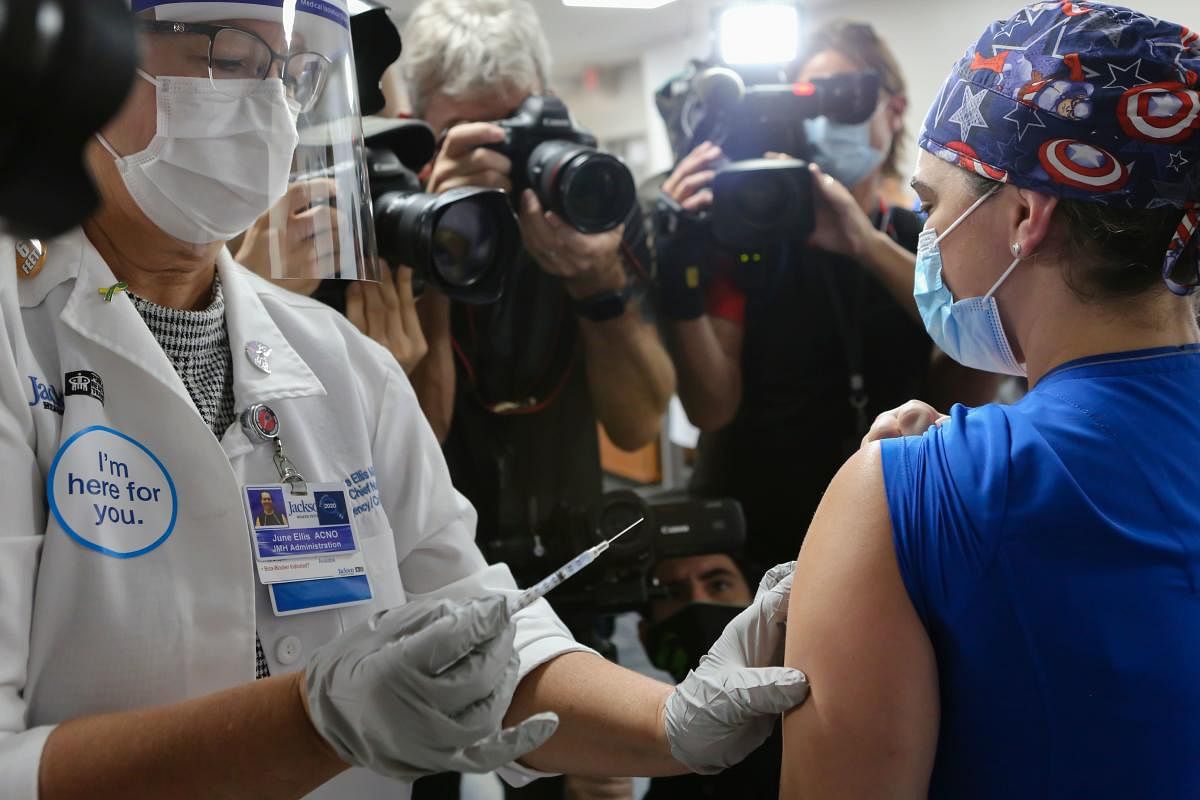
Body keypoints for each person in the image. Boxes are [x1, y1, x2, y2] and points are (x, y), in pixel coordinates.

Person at [0, 4, 812, 799]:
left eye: (292, 72)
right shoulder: (14, 333)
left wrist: (672, 719)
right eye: (228, 56)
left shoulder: (340, 361)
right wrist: (309, 725)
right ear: (84, 63)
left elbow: (483, 630)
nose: (265, 102)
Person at [779, 3, 1200, 797]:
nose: (925, 242)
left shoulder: (906, 494)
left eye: (932, 207)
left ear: (1023, 217)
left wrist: (915, 494)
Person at [655, 21, 1000, 568]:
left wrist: (864, 245)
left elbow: (978, 365)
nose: (822, 117)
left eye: (843, 97)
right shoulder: (748, 235)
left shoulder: (923, 237)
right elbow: (711, 408)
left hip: (891, 524)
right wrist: (677, 268)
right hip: (755, 525)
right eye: (808, 98)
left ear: (894, 108)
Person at [398, 0, 676, 591]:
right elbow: (421, 428)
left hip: (569, 562)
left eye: (514, 129)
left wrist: (597, 282)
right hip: (432, 577)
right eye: (474, 136)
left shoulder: (598, 212)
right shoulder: (390, 225)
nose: (501, 160)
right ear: (421, 128)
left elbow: (639, 427)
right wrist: (439, 243)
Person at [639, 555, 783, 800]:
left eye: (719, 585)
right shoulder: (661, 756)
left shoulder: (810, 717)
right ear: (645, 634)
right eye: (673, 593)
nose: (697, 602)